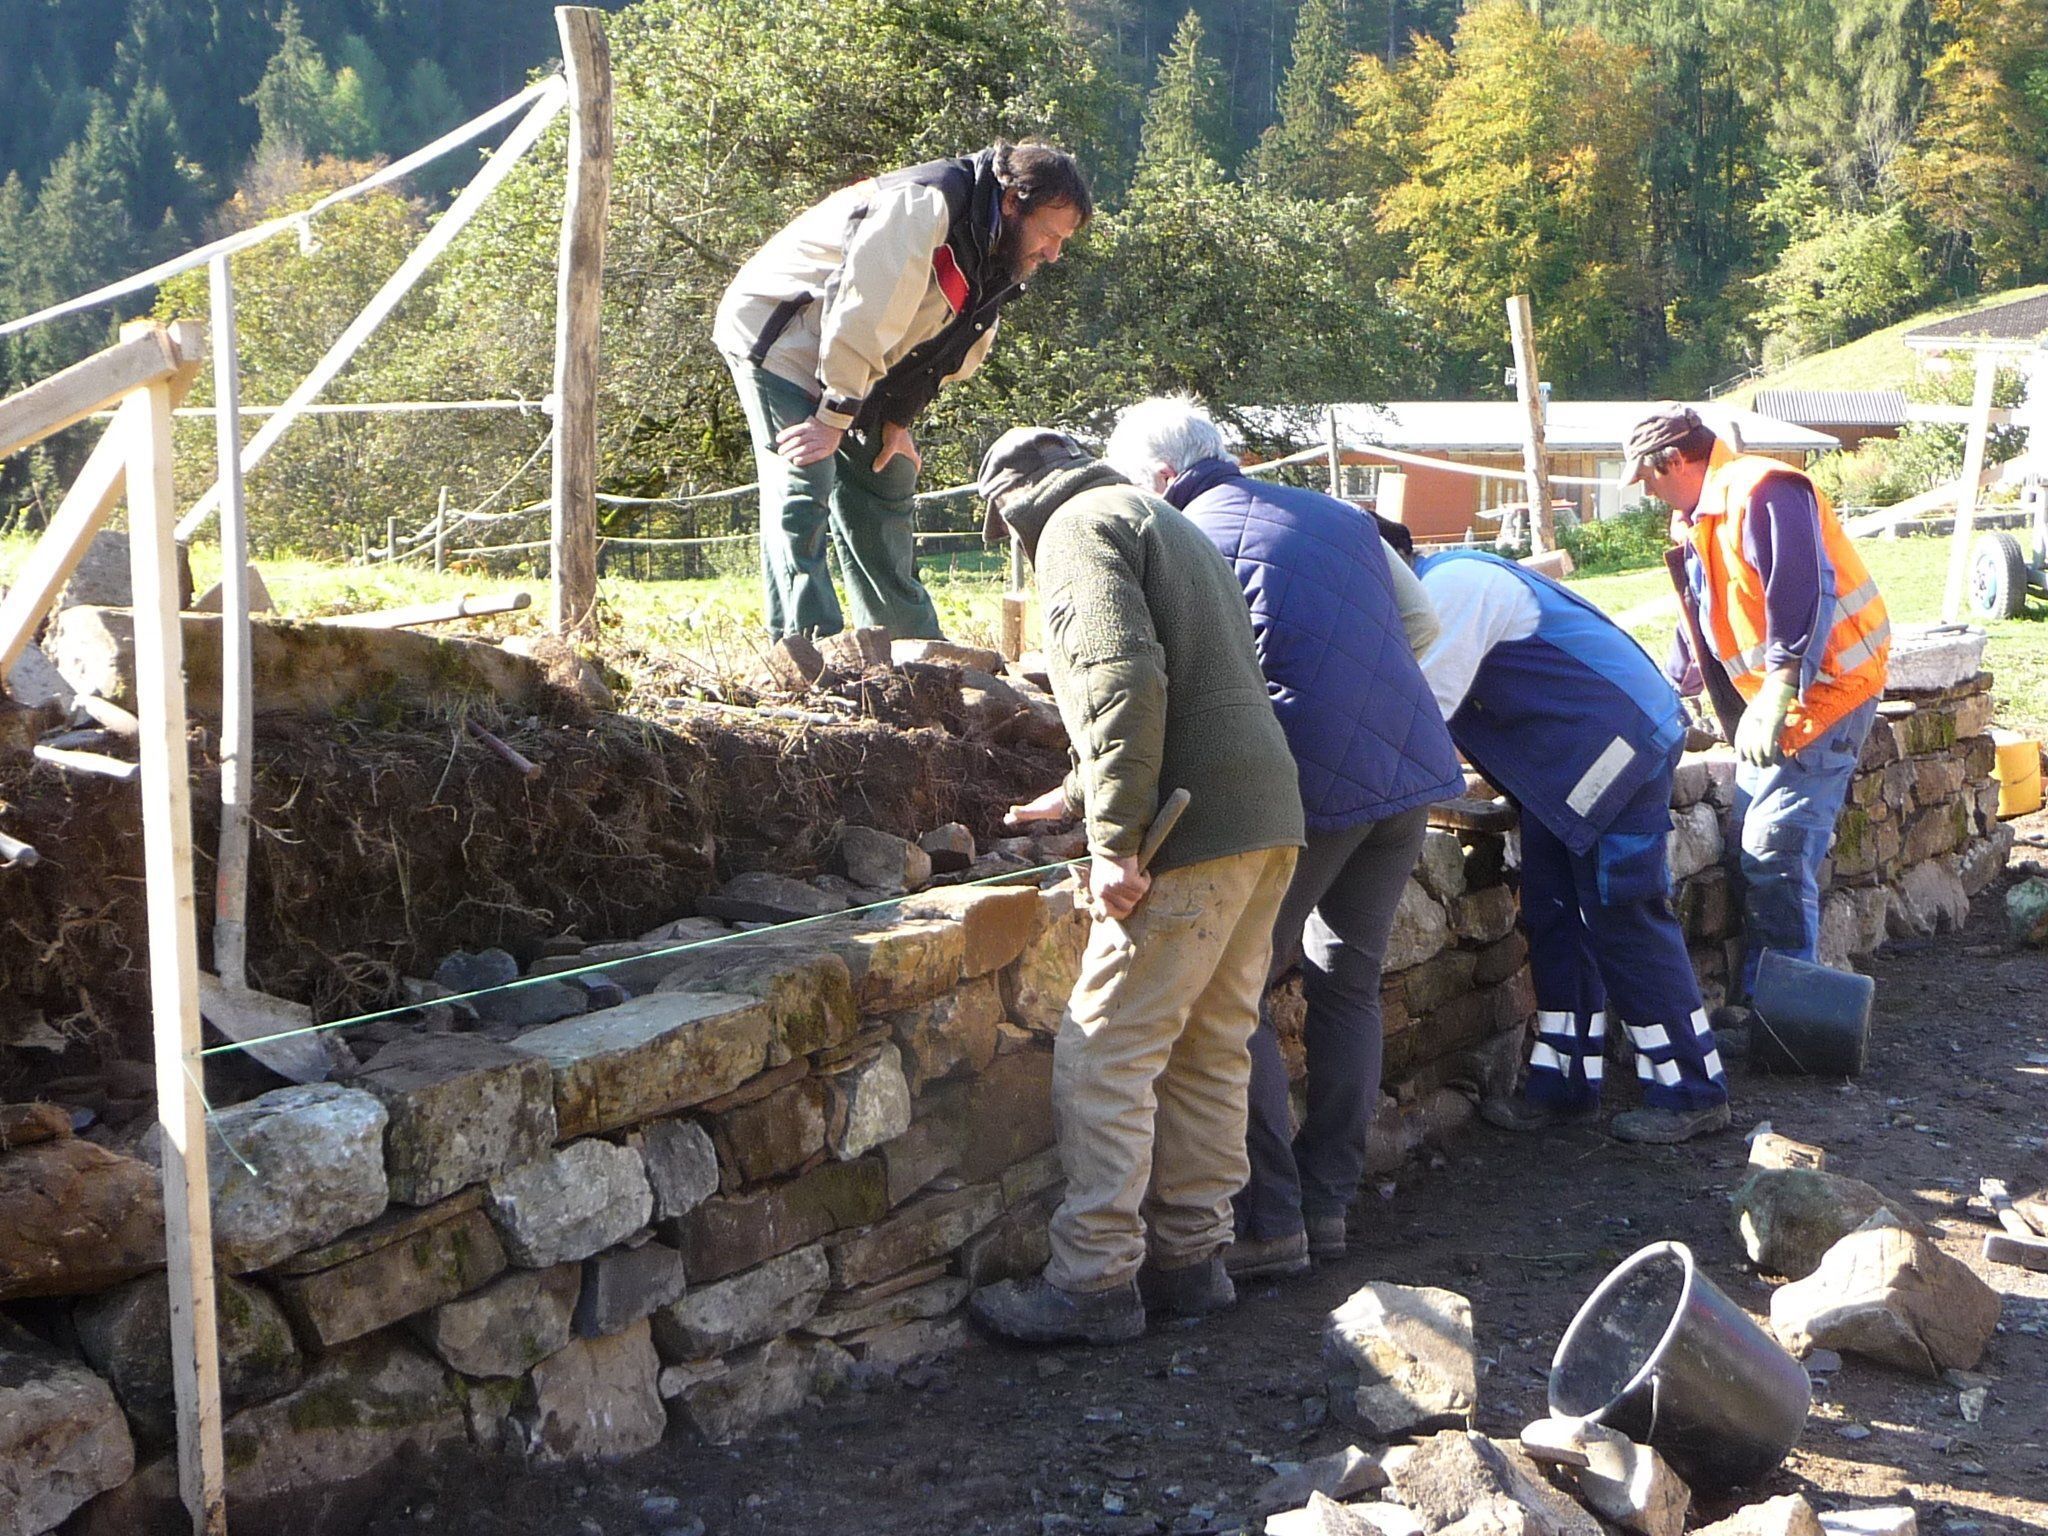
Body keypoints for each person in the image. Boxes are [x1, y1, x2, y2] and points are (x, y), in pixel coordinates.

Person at [1103, 396, 1463, 1277]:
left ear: (1158, 478)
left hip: (1306, 786)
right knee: (1350, 980)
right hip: (1407, 765)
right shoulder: (1340, 515)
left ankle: (1274, 1218)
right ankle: (1330, 1200)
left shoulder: (1177, 538)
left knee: (1239, 989)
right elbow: (1420, 625)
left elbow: (1153, 682)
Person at [965, 428, 1303, 1344]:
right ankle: (1194, 1262)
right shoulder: (1157, 515)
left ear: (1010, 505)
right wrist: (1077, 791)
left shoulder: (1074, 529)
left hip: (1188, 827)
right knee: (1209, 1044)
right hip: (1265, 813)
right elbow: (1196, 678)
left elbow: (1121, 678)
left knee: (1106, 1050)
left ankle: (1094, 1281)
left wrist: (1113, 840)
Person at [1414, 546, 1731, 1143]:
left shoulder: (1450, 590)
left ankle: (1693, 1089)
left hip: (1618, 746)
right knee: (1554, 913)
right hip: (1563, 766)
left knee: (1623, 913)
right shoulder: (1442, 583)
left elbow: (1421, 715)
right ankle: (1563, 1086)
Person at [714, 141, 1091, 641]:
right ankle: (806, 652)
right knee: (805, 478)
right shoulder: (923, 204)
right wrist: (833, 418)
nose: (1053, 252)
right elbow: (866, 310)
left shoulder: (998, 250)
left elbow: (945, 344)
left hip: (851, 351)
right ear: (1011, 201)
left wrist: (897, 419)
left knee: (887, 476)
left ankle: (914, 650)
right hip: (783, 332)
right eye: (1049, 233)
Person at [1624, 405, 1891, 1004]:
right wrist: (1672, 689)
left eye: (1648, 478)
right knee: (1754, 839)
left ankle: (1787, 1015)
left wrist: (1780, 685)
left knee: (1776, 848)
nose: (1648, 493)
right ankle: (1761, 997)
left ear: (1674, 459)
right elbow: (1701, 612)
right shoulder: (1700, 516)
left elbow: (1801, 585)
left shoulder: (1763, 489)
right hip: (1782, 699)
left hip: (1828, 688)